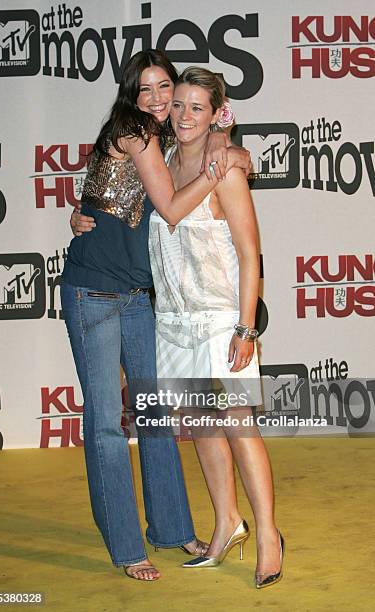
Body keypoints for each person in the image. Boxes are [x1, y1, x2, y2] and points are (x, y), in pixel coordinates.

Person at [61, 49, 251, 581]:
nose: (158, 98)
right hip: (93, 294)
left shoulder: (170, 138)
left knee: (158, 418)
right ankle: (126, 546)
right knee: (105, 426)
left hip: (140, 298)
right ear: (131, 95)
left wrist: (224, 146)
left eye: (164, 86)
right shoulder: (137, 132)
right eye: (145, 89)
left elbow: (217, 136)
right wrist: (222, 165)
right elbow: (169, 207)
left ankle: (170, 529)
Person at [147, 67, 284, 589]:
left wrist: (246, 329)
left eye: (196, 107)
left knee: (239, 426)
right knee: (202, 429)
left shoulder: (224, 167)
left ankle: (268, 534)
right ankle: (227, 524)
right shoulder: (157, 161)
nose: (183, 115)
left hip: (221, 318)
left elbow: (250, 253)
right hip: (173, 321)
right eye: (177, 104)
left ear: (216, 114)